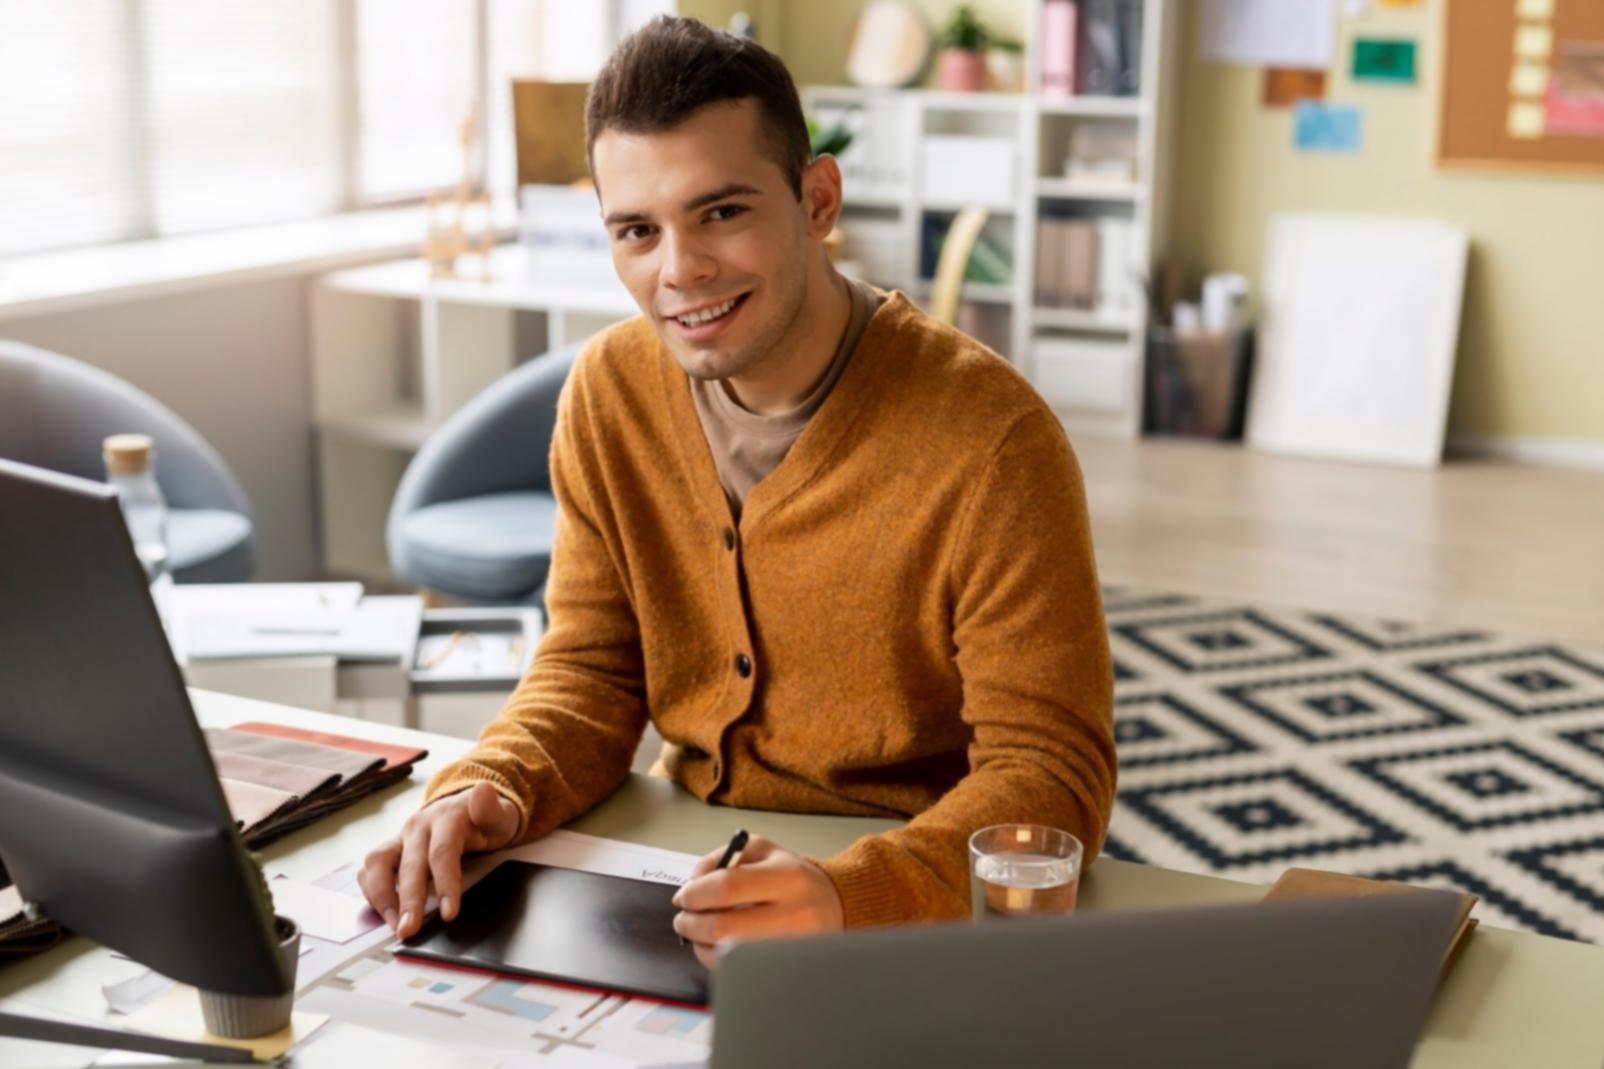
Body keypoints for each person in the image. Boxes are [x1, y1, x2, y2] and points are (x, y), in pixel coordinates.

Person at [359, 15, 1116, 970]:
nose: (679, 271)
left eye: (721, 212)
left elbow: (1050, 773)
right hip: (687, 885)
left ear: (818, 199)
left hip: (910, 918)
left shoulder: (995, 440)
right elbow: (590, 673)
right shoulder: (608, 393)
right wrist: (494, 785)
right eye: (637, 230)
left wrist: (851, 897)